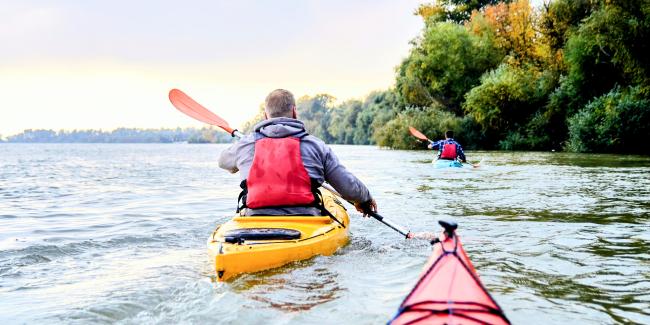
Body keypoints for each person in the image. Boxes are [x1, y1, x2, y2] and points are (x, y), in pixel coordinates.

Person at [218, 89, 377, 217]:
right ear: (294, 112)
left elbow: (223, 162)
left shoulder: (246, 144)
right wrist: (365, 198)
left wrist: (244, 146)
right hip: (306, 218)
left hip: (255, 218)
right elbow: (348, 187)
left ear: (265, 115)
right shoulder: (315, 145)